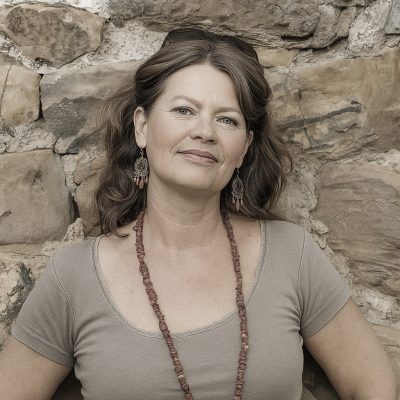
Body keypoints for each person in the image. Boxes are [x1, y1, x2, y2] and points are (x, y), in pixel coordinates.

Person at [0, 28, 397, 400]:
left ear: (244, 148)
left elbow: (374, 385)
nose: (205, 131)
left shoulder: (292, 256)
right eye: (184, 110)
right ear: (142, 126)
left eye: (227, 119)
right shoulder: (74, 277)